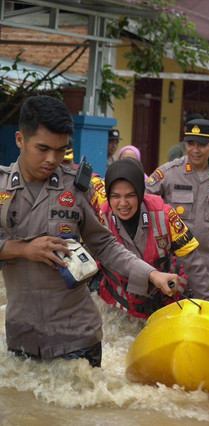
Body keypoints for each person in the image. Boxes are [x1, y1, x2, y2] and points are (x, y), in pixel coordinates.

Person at [0, 96, 178, 367]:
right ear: (19, 139)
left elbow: (105, 245)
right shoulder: (1, 187)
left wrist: (152, 274)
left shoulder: (76, 187)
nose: (52, 159)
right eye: (43, 148)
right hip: (23, 335)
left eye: (60, 150)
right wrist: (23, 249)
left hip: (78, 336)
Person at [98, 158, 209, 318]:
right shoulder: (100, 219)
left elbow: (194, 265)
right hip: (120, 307)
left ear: (140, 192)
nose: (123, 203)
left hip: (167, 301)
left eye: (130, 195)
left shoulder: (165, 215)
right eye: (116, 196)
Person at [146, 118, 209, 295]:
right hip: (171, 267)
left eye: (202, 144)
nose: (195, 150)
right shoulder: (168, 173)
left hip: (206, 268)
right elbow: (141, 203)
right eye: (190, 143)